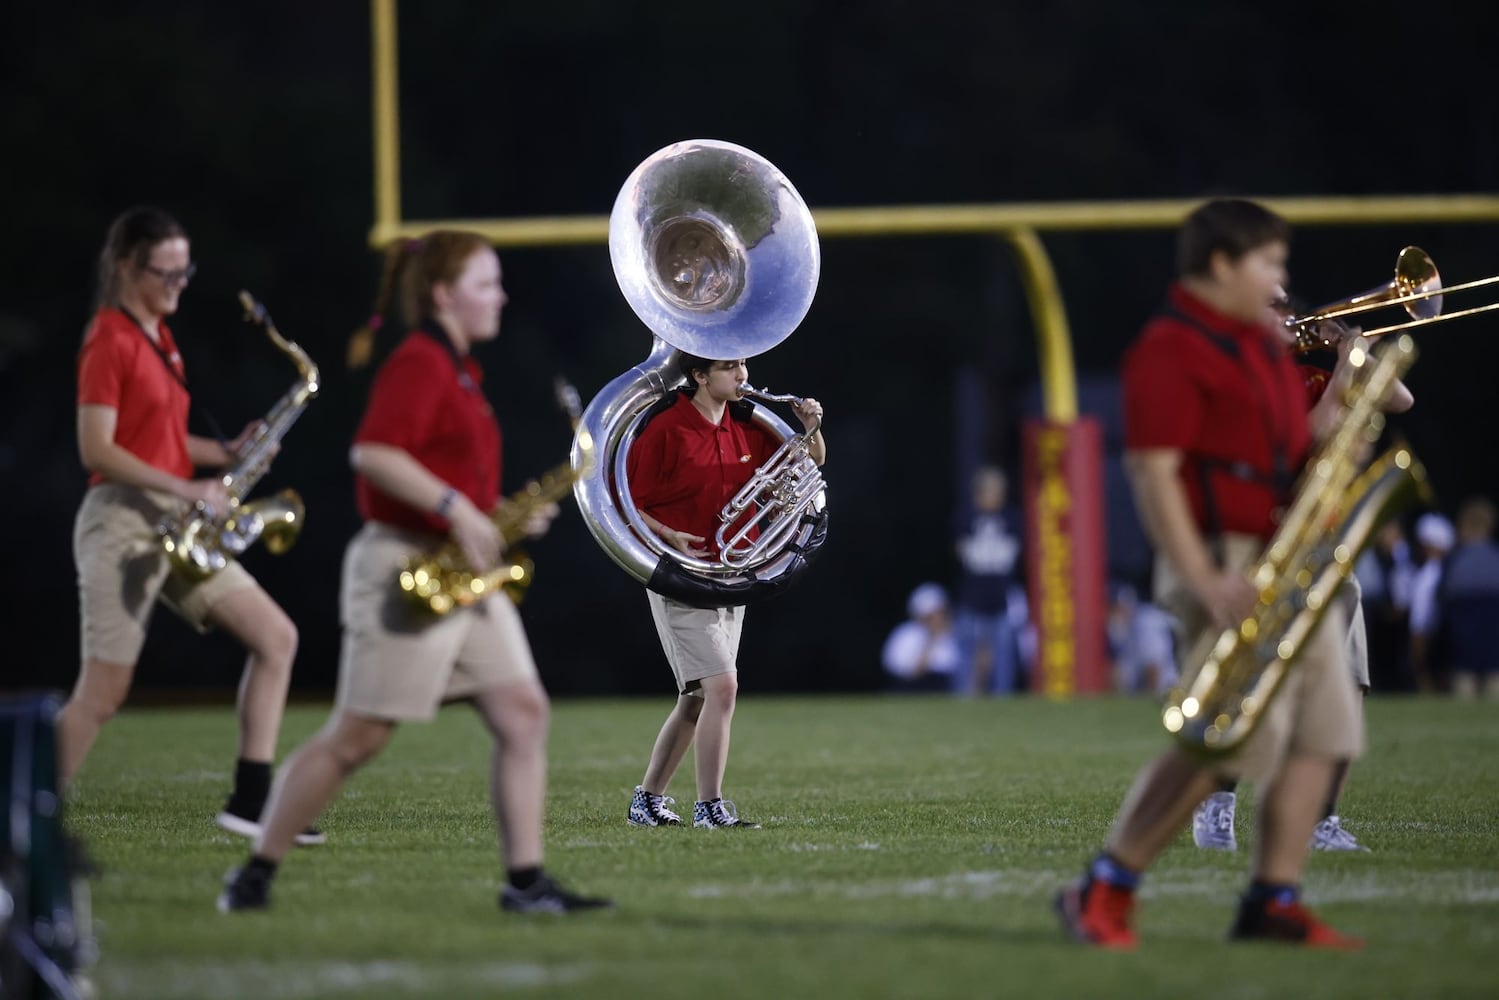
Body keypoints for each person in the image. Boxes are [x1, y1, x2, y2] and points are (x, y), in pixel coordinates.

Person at [218, 230, 609, 913]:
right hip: (402, 564)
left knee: (522, 713)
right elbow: (372, 454)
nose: (501, 297)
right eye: (486, 284)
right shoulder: (421, 362)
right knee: (358, 738)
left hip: (457, 572)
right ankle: (254, 874)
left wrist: (498, 519)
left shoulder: (461, 370)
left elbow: (440, 473)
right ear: (443, 295)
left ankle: (525, 885)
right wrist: (458, 509)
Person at [1056, 198, 1367, 950]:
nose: (1280, 283)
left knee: (1327, 732)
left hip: (1290, 551)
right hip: (1221, 554)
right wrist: (1201, 575)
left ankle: (1273, 901)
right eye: (1269, 264)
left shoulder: (1264, 352)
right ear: (1222, 265)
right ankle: (1107, 884)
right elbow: (1152, 472)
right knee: (1225, 739)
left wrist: (1352, 394)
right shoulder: (1170, 349)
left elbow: (1301, 448)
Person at [61, 206, 312, 844]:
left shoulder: (160, 337)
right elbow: (97, 448)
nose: (178, 283)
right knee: (103, 693)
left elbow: (161, 441)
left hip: (173, 521)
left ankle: (251, 801)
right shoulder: (109, 337)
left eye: (184, 271)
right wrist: (190, 486)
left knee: (276, 638)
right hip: (121, 522)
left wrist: (227, 454)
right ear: (126, 266)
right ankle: (22, 816)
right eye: (164, 272)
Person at [1191, 300, 1414, 854]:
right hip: (1267, 545)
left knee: (1349, 681)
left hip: (1326, 543)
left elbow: (1400, 398)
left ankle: (1321, 819)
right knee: (1255, 680)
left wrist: (1354, 353)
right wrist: (1343, 368)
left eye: (1287, 307)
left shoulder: (1312, 373)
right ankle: (1217, 802)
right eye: (1273, 308)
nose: (1287, 317)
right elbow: (1308, 435)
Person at [624, 353, 825, 829]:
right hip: (681, 576)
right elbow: (625, 500)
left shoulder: (746, 425)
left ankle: (646, 800)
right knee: (722, 687)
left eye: (743, 364)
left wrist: (812, 429)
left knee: (696, 698)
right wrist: (665, 533)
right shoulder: (667, 427)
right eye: (729, 366)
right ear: (698, 375)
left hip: (730, 576)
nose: (742, 375)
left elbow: (809, 466)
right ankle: (710, 807)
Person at [952, 466, 1024, 695]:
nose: (996, 496)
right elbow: (962, 552)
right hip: (972, 597)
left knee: (1004, 656)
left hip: (1001, 599)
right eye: (991, 491)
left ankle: (1002, 698)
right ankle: (963, 697)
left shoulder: (1012, 518)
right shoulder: (966, 518)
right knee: (966, 654)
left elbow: (1012, 553)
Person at [1436, 496, 1499, 699]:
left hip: (1462, 653)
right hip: (1494, 653)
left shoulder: (1454, 562)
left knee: (1463, 698)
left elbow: (1441, 605)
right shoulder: (1495, 558)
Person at [881, 583, 963, 693]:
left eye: (941, 612)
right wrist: (932, 639)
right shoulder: (907, 633)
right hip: (913, 688)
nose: (938, 618)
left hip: (948, 686)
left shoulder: (959, 632)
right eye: (931, 616)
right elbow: (913, 672)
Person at [1408, 511, 1456, 691]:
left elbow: (1419, 625)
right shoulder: (1455, 569)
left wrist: (1419, 666)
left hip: (1437, 648)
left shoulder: (1428, 574)